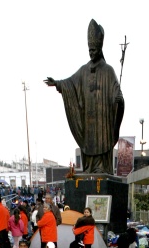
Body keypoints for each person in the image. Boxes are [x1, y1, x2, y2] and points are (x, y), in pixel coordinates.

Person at [44, 19, 124, 175]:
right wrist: (58, 84)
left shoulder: (108, 70)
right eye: (89, 50)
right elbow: (71, 83)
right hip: (89, 121)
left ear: (99, 48)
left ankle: (102, 168)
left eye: (94, 50)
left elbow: (116, 92)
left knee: (103, 145)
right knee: (88, 145)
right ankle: (89, 169)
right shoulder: (83, 70)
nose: (91, 53)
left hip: (103, 124)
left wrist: (118, 101)